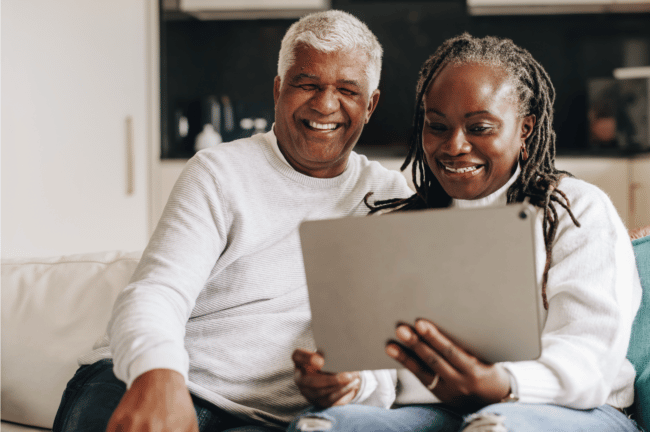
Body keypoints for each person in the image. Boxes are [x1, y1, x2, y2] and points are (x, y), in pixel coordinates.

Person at [51, 10, 414, 432]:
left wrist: (352, 384)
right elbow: (157, 291)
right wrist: (158, 373)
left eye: (347, 90)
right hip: (149, 380)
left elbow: (389, 360)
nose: (325, 104)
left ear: (370, 104)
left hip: (263, 420)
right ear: (279, 89)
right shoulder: (218, 172)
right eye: (307, 84)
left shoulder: (392, 201)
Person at [290, 34, 644, 432]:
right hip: (430, 411)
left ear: (525, 129)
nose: (454, 145)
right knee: (324, 426)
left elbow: (590, 357)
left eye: (480, 127)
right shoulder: (403, 225)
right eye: (437, 126)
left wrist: (500, 384)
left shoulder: (574, 209)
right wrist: (347, 382)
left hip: (568, 410)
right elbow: (383, 363)